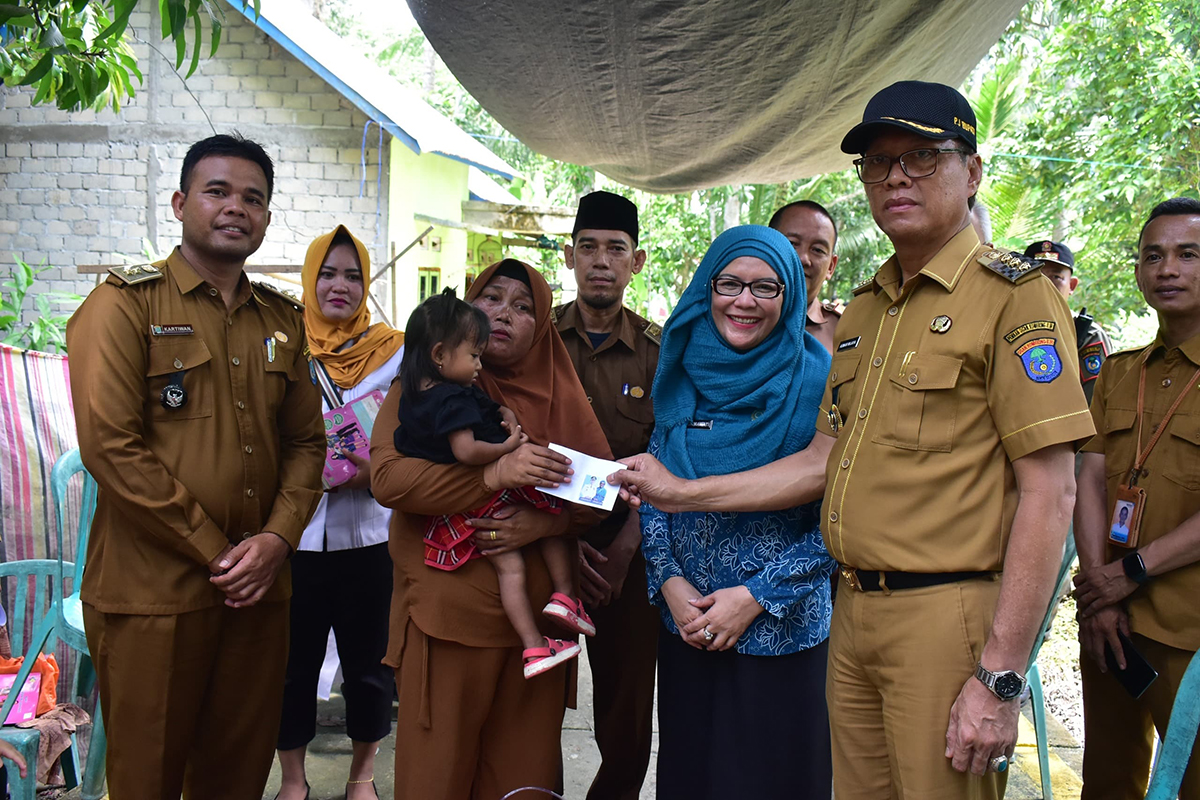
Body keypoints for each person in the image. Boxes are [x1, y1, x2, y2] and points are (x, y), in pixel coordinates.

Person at [613, 81, 1094, 799]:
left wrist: (1000, 674)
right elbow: (825, 463)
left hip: (943, 610)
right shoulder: (868, 310)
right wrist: (680, 492)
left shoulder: (1015, 299)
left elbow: (1051, 492)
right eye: (878, 162)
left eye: (923, 157)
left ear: (974, 171)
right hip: (853, 617)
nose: (896, 176)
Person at [66, 134, 326, 800]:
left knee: (235, 776)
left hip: (258, 596)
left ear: (267, 218)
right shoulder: (124, 306)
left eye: (254, 198)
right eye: (217, 191)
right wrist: (220, 552)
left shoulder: (283, 321)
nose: (236, 208)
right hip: (153, 596)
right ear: (181, 203)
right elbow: (112, 448)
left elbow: (306, 444)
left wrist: (276, 541)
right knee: (146, 777)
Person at [371, 259, 612, 800]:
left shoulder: (558, 391)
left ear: (544, 324)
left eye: (523, 307)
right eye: (492, 298)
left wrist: (544, 519)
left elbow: (599, 493)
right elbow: (390, 480)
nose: (503, 314)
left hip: (541, 638)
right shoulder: (422, 387)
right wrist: (493, 474)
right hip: (447, 620)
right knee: (438, 778)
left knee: (522, 782)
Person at [641, 224, 835, 799]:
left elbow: (844, 515)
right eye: (729, 283)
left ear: (791, 296)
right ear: (707, 286)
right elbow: (655, 488)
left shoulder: (820, 383)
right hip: (689, 628)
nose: (744, 301)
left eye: (766, 288)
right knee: (692, 779)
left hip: (782, 634)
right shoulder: (684, 368)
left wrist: (754, 598)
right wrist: (669, 582)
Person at [1072, 196, 1200, 800]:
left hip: (1187, 630)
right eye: (1153, 256)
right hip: (1110, 619)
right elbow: (1088, 479)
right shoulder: (1121, 373)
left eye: (1187, 254)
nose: (1167, 269)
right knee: (1107, 777)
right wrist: (1099, 591)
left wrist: (1133, 571)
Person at [396, 287, 592, 678]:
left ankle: (534, 644)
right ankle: (566, 596)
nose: (479, 366)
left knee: (512, 568)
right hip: (451, 608)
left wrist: (502, 408)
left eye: (523, 306)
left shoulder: (422, 392)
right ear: (439, 354)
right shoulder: (453, 398)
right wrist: (507, 450)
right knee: (549, 500)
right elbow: (462, 452)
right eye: (474, 355)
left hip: (465, 519)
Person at [275, 225, 405, 800]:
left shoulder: (396, 350)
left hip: (372, 536)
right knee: (290, 668)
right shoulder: (281, 344)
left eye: (353, 275)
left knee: (370, 669)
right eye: (327, 273)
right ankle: (295, 781)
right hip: (294, 537)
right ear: (310, 278)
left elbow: (409, 433)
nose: (340, 285)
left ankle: (361, 779)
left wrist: (373, 467)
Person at [554, 190, 661, 800]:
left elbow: (671, 458)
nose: (601, 261)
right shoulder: (536, 341)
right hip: (541, 553)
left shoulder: (658, 351)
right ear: (569, 256)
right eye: (588, 248)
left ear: (637, 260)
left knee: (625, 715)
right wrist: (558, 546)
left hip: (627, 559)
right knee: (535, 699)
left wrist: (623, 549)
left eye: (615, 249)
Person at [1024, 239, 1115, 402]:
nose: (1045, 284)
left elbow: (1096, 401)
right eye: (1035, 275)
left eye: (1056, 277)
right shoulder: (1003, 325)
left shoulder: (1088, 334)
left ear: (1072, 285)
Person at [769, 199, 842, 353]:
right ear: (767, 247)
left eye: (817, 250)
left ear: (831, 266)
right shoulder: (735, 315)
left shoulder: (845, 331)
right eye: (792, 243)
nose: (803, 259)